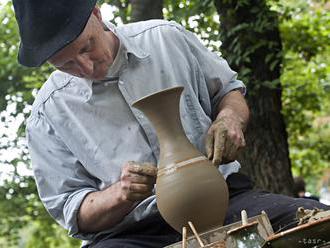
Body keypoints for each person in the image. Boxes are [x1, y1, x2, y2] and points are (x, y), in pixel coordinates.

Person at [13, 0, 329, 247]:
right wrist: (121, 194)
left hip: (226, 201)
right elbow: (72, 211)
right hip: (135, 234)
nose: (85, 66)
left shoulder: (166, 39)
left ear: (97, 14)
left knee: (317, 225)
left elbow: (229, 92)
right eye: (66, 64)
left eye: (86, 47)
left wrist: (229, 118)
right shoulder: (47, 115)